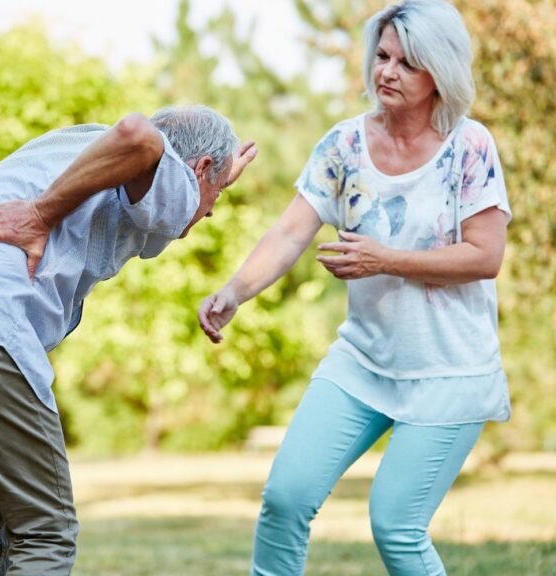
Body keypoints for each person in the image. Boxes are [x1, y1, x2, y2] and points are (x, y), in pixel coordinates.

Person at [0, 105, 257, 575]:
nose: (209, 210)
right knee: (44, 528)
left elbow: (139, 151)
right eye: (218, 194)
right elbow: (139, 135)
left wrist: (217, 176)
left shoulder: (77, 143)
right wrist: (40, 214)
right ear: (200, 168)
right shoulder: (166, 166)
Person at [198, 1, 510, 574]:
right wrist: (235, 290)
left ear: (438, 72)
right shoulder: (344, 145)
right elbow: (292, 230)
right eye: (383, 56)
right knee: (285, 499)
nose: (385, 71)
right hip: (363, 362)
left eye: (406, 63)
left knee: (396, 526)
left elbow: (485, 256)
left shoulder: (470, 147)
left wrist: (384, 258)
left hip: (449, 370)